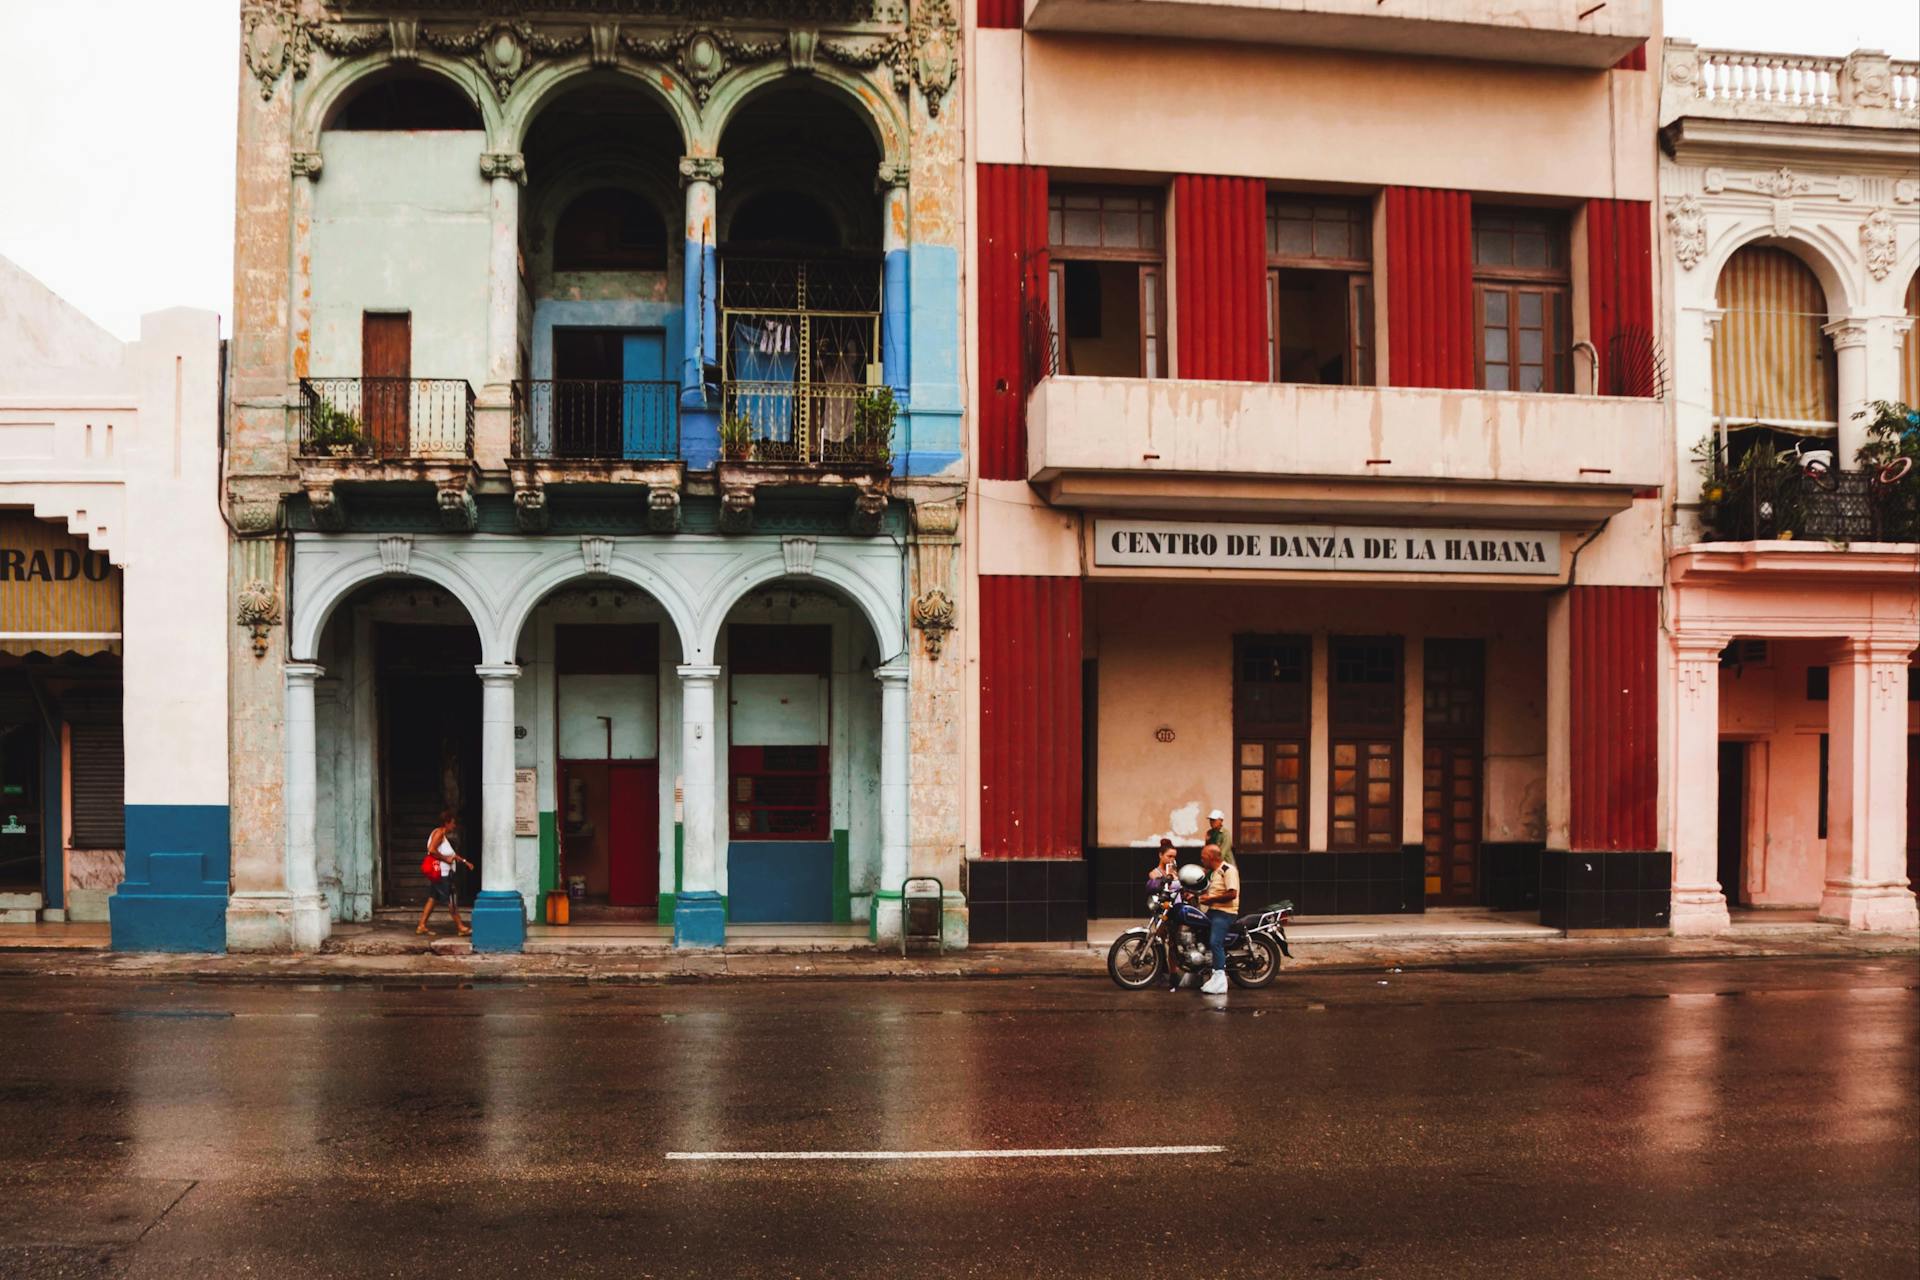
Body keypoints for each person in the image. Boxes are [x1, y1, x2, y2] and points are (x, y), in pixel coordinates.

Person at [417, 809, 475, 938]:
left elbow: (452, 855)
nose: (454, 826)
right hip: (443, 874)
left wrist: (465, 862)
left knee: (432, 899)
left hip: (442, 874)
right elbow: (431, 850)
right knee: (451, 900)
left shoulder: (442, 835)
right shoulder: (438, 834)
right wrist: (446, 859)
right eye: (453, 823)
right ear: (446, 823)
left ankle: (421, 925)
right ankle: (460, 927)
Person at [1196, 843, 1240, 995]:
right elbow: (1210, 892)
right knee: (1197, 934)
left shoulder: (1228, 870)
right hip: (1213, 912)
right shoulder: (1214, 872)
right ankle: (1197, 972)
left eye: (1203, 857)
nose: (1202, 860)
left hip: (1225, 913)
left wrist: (1211, 900)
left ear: (1211, 857)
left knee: (1215, 942)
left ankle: (1221, 981)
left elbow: (1232, 894)